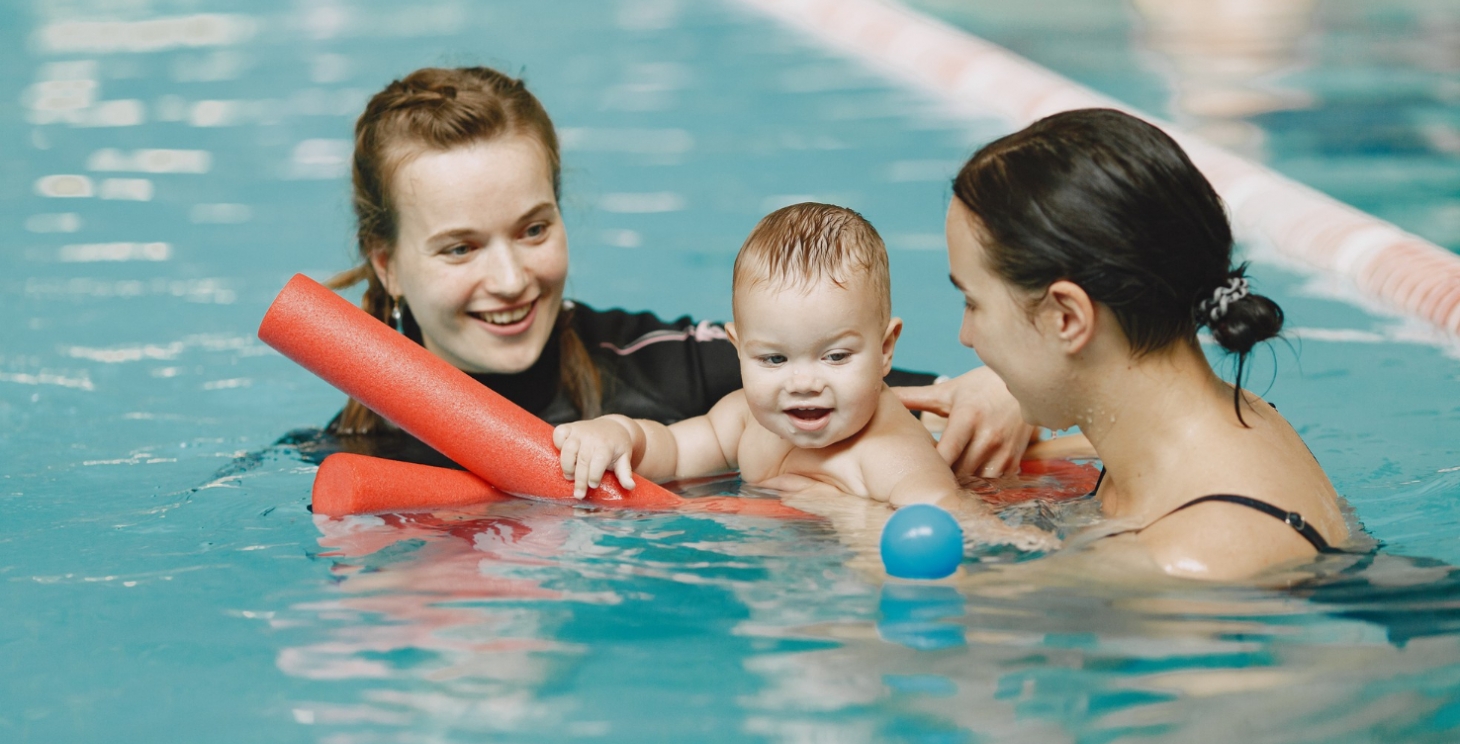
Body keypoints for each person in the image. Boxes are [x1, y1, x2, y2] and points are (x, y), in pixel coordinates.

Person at [304, 65, 1035, 475]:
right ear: (387, 264)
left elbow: (884, 380)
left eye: (533, 229)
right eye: (459, 247)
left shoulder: (674, 368)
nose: (509, 278)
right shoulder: (358, 451)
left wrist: (1000, 391)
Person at [943, 107, 1350, 580]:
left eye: (973, 303)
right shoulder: (1239, 418)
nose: (965, 335)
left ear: (1067, 318)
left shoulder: (1180, 563)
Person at [552, 203, 1049, 549]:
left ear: (885, 350)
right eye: (774, 360)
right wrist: (617, 433)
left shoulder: (888, 452)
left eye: (835, 357)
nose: (804, 382)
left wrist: (1011, 541)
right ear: (738, 351)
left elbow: (945, 515)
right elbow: (675, 451)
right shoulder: (746, 418)